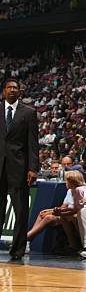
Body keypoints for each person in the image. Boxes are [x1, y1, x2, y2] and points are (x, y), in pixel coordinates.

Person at [0, 79, 39, 259]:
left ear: (20, 92)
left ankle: (17, 250)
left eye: (16, 88)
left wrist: (33, 168)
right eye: (9, 87)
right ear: (4, 91)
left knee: (21, 211)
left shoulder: (29, 113)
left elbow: (33, 143)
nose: (13, 90)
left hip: (20, 168)